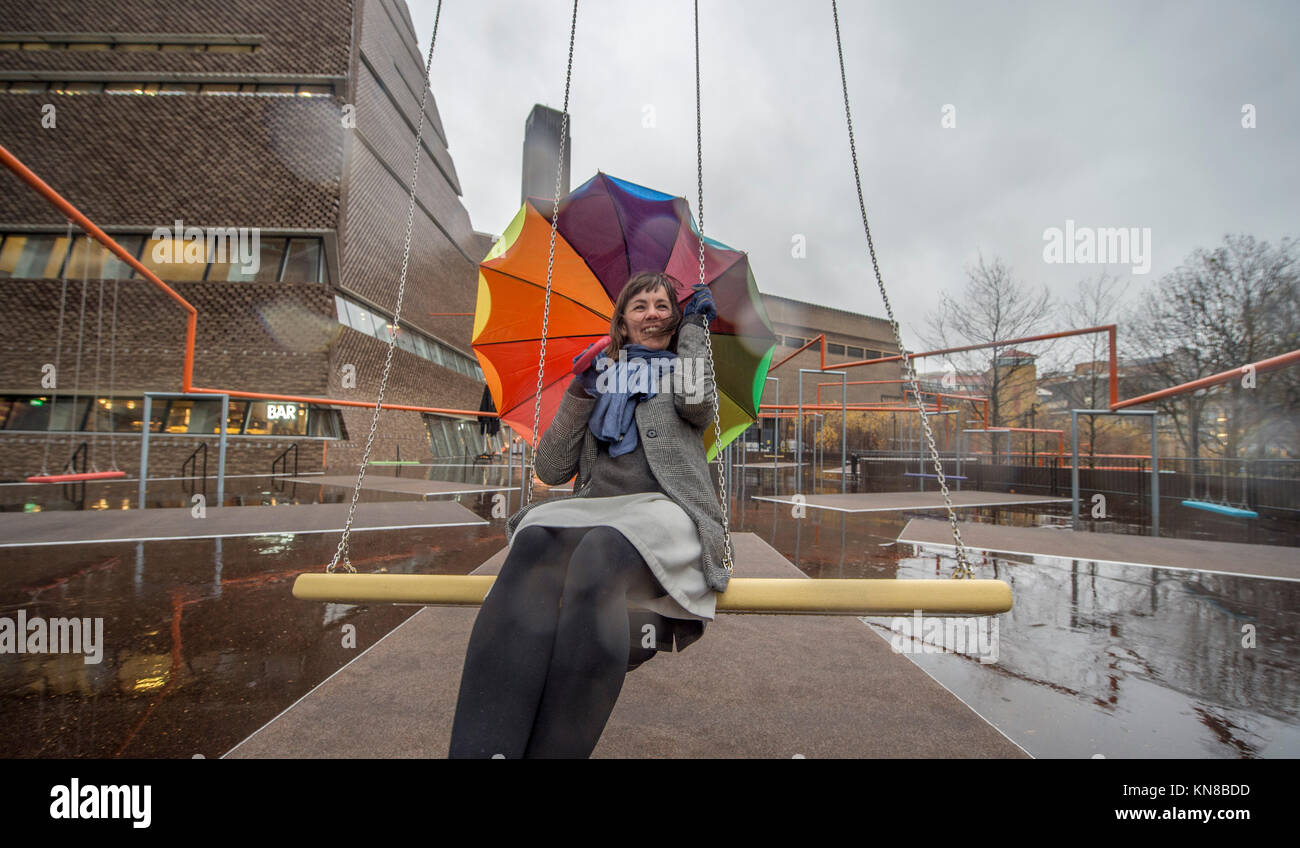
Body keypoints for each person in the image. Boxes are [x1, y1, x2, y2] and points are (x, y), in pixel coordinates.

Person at [448, 270, 727, 758]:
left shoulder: (683, 367)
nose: (652, 314)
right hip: (600, 507)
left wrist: (694, 333)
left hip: (664, 511)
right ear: (622, 320)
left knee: (601, 550)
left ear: (675, 317)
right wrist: (581, 390)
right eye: (639, 305)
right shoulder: (601, 377)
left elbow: (696, 403)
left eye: (663, 305)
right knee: (535, 539)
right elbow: (552, 468)